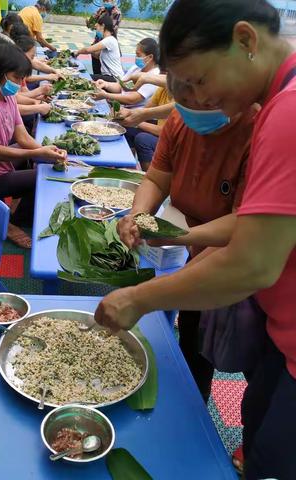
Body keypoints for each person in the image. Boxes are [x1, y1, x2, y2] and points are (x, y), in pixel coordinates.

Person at [95, 1, 296, 479]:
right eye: (182, 89)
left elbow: (251, 262)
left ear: (246, 41)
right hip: (282, 332)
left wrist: (138, 298)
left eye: (199, 81)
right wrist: (167, 228)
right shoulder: (273, 103)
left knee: (274, 455)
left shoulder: (284, 114)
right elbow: (250, 224)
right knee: (258, 433)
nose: (196, 100)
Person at [119, 75, 255, 403]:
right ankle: (193, 400)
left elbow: (244, 224)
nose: (191, 110)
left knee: (253, 360)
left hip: (246, 261)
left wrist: (178, 237)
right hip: (199, 252)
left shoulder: (259, 130)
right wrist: (138, 214)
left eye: (202, 102)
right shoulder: (182, 118)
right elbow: (156, 177)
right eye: (184, 101)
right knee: (194, 342)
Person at [0, 43, 66, 248]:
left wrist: (46, 151)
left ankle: (11, 209)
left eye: (22, 78)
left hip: (1, 167)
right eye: (16, 77)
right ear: (0, 74)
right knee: (40, 177)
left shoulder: (8, 97)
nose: (20, 83)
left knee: (36, 159)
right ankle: (12, 221)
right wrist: (39, 152)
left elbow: (22, 136)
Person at [119, 85, 174, 170]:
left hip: (173, 140)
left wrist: (136, 122)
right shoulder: (162, 89)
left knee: (143, 139)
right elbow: (144, 112)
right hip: (161, 132)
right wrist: (127, 115)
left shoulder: (183, 99)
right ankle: (129, 168)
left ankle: (149, 177)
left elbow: (165, 132)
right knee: (128, 129)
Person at [93, 38, 161, 107]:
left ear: (150, 57)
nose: (136, 57)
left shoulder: (154, 76)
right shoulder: (136, 68)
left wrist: (106, 95)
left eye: (138, 55)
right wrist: (105, 84)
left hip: (135, 112)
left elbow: (132, 99)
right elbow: (121, 86)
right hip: (123, 108)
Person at [75, 15, 123, 82]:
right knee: (85, 76)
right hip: (108, 76)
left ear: (103, 26)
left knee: (84, 78)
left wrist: (77, 52)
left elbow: (87, 50)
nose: (96, 31)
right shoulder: (108, 40)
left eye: (97, 27)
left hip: (114, 78)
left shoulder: (109, 40)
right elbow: (97, 55)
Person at [86, 0, 122, 76]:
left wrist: (109, 17)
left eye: (108, 0)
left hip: (107, 44)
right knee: (96, 72)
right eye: (104, 0)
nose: (106, 2)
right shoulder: (101, 10)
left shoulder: (117, 13)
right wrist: (91, 20)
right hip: (97, 42)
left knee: (106, 71)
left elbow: (111, 28)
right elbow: (92, 25)